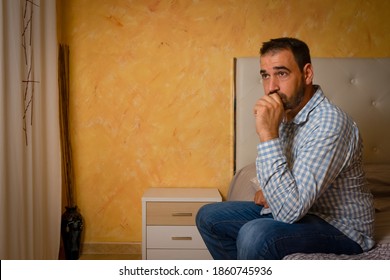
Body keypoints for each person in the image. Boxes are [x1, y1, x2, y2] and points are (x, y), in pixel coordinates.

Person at [196, 37, 375, 260]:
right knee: (209, 217)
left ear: (307, 74)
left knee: (255, 235)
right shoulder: (284, 112)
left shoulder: (329, 123)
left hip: (341, 228)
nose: (271, 87)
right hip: (304, 212)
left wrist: (267, 135)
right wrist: (269, 188)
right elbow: (284, 182)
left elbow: (288, 211)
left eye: (282, 73)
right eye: (265, 75)